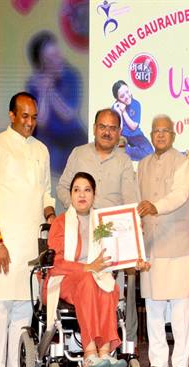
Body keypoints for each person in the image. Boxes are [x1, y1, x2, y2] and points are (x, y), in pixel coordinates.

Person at [0, 92, 56, 367]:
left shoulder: (41, 150)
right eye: (24, 116)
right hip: (4, 240)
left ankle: (14, 366)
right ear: (11, 115)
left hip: (30, 241)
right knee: (0, 305)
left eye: (34, 117)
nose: (29, 122)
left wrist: (51, 214)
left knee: (24, 305)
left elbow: (45, 192)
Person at [47, 172, 149, 367]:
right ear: (70, 195)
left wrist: (135, 262)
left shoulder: (104, 222)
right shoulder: (60, 223)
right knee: (89, 279)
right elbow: (56, 263)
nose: (82, 194)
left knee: (108, 286)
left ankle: (104, 352)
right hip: (65, 279)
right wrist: (87, 267)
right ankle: (89, 353)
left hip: (95, 277)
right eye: (76, 190)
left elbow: (116, 254)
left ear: (94, 195)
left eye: (87, 190)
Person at [56, 108, 139, 346]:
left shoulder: (124, 161)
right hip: (79, 232)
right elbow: (62, 187)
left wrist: (132, 232)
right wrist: (79, 208)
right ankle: (87, 346)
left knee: (114, 290)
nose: (107, 132)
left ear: (119, 132)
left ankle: (118, 345)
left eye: (112, 128)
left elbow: (130, 200)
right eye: (103, 127)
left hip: (109, 236)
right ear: (94, 128)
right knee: (84, 283)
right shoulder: (79, 153)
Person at [137, 115, 189, 367]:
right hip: (151, 245)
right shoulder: (142, 165)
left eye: (165, 131)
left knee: (181, 308)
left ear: (173, 135)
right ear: (150, 135)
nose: (160, 135)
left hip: (178, 244)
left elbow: (180, 195)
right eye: (156, 131)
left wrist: (155, 207)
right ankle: (159, 362)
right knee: (153, 306)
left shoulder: (183, 163)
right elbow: (137, 201)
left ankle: (180, 363)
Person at [26, 30, 87, 176]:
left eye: (57, 54)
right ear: (41, 63)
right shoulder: (34, 84)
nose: (57, 59)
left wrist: (51, 90)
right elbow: (41, 122)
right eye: (50, 58)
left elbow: (68, 114)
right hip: (48, 140)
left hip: (73, 136)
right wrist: (43, 91)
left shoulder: (71, 76)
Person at [112, 80, 153, 161]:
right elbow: (119, 130)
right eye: (122, 96)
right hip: (122, 136)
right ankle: (123, 150)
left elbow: (134, 127)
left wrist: (124, 112)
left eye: (127, 92)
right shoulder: (115, 108)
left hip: (136, 135)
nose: (126, 96)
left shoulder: (136, 104)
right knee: (116, 142)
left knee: (150, 153)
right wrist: (119, 112)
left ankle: (125, 151)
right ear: (117, 99)